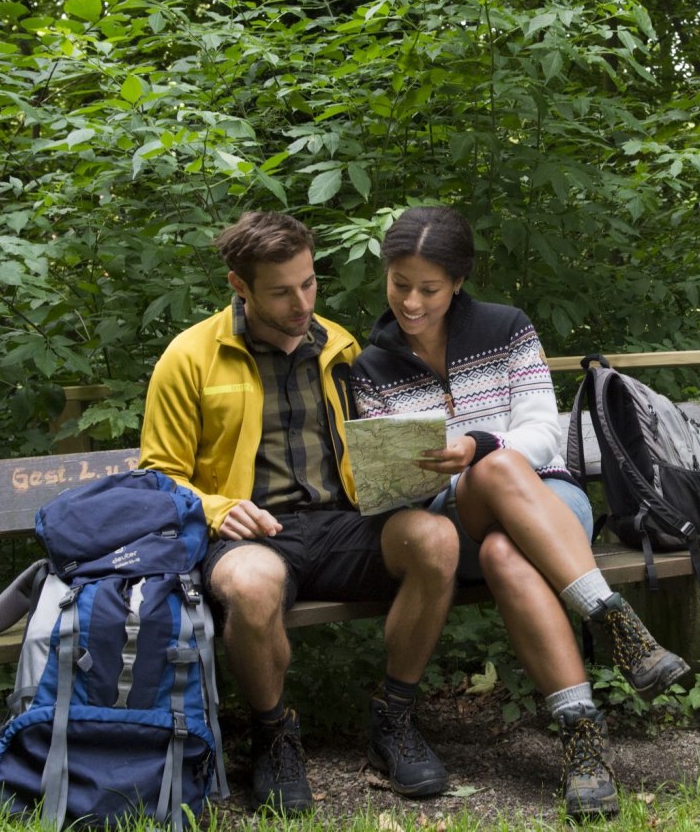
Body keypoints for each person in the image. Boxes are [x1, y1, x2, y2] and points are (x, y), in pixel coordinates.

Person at [348, 205, 693, 820]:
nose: (412, 302)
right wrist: (446, 465)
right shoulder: (371, 367)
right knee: (489, 474)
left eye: (429, 289)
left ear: (457, 283)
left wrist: (479, 447)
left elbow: (542, 430)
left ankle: (582, 742)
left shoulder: (507, 328)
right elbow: (385, 475)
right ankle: (614, 623)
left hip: (545, 501)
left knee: (505, 521)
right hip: (447, 522)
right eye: (400, 285)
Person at [138, 211, 461, 816]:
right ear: (240, 285)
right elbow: (158, 476)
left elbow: (372, 441)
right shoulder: (190, 357)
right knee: (251, 586)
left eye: (309, 283)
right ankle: (275, 737)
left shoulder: (339, 346)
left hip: (342, 523)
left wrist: (406, 466)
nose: (301, 302)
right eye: (281, 291)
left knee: (437, 539)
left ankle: (394, 722)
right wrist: (217, 507)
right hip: (252, 535)